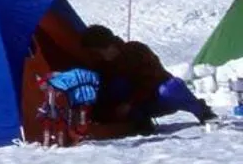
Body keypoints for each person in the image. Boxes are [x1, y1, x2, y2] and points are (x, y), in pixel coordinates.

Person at [83, 24, 214, 130]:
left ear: (107, 47)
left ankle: (202, 112)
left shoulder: (136, 51)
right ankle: (139, 122)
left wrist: (130, 103)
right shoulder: (102, 65)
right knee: (116, 85)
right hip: (137, 107)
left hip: (159, 98)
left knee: (172, 87)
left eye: (97, 52)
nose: (97, 56)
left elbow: (152, 80)